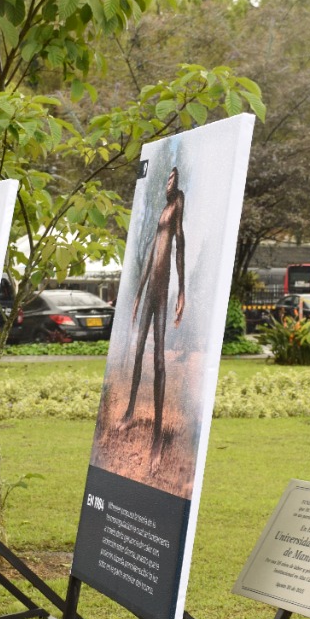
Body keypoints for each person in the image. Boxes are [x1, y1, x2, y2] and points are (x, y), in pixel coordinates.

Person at [121, 167, 186, 468]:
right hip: (148, 292)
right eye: (167, 179)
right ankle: (130, 411)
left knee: (159, 359)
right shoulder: (162, 208)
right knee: (137, 352)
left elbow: (179, 245)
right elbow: (150, 254)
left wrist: (182, 291)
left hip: (162, 293)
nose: (168, 184)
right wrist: (136, 294)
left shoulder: (178, 203)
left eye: (172, 179)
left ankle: (158, 436)